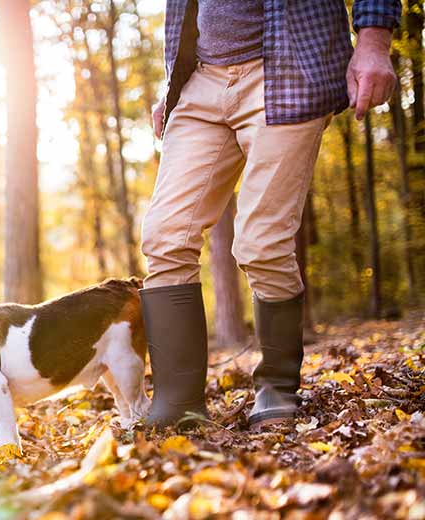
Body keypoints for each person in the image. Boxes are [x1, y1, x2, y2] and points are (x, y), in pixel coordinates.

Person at [140, 0, 400, 429]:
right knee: (164, 237)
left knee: (261, 243)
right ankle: (178, 402)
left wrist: (374, 40)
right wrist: (174, 80)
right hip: (200, 80)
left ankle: (277, 386)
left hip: (286, 70)